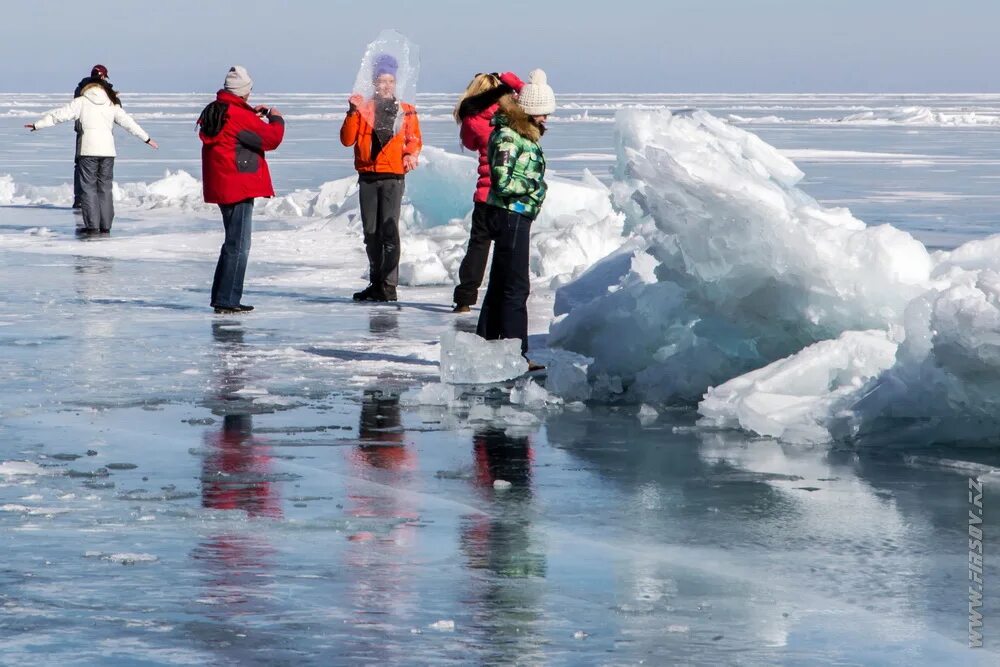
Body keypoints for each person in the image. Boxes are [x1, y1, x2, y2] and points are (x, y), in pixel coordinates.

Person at [476, 69, 555, 369]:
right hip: (511, 216)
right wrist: (535, 185)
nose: (546, 118)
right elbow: (503, 182)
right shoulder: (510, 137)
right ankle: (515, 354)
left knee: (501, 283)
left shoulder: (522, 135)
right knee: (515, 287)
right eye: (543, 112)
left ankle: (488, 344)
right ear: (530, 110)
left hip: (517, 216)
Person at [198, 65, 285, 315]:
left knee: (232, 243)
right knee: (239, 245)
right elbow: (271, 139)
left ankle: (223, 297)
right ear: (243, 92)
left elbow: (236, 133)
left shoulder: (217, 110)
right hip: (239, 184)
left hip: (223, 183)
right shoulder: (237, 115)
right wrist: (276, 117)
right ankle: (227, 300)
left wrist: (250, 114)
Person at [26, 74, 157, 235]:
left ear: (87, 88)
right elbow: (128, 123)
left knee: (88, 189)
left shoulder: (80, 102)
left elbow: (59, 115)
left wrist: (37, 125)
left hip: (88, 150)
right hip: (108, 152)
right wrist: (147, 138)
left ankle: (92, 226)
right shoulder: (111, 103)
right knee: (105, 188)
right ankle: (106, 226)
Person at [340, 53, 422, 303]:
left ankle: (389, 285)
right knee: (371, 232)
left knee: (389, 231)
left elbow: (414, 139)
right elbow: (347, 140)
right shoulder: (363, 108)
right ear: (373, 82)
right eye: (381, 81)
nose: (386, 86)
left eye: (390, 81)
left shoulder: (405, 110)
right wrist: (352, 112)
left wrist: (410, 154)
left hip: (393, 176)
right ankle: (376, 283)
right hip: (368, 176)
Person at [451, 72, 524, 314]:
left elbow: (470, 142)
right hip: (510, 194)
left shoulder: (472, 119)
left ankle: (464, 298)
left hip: (485, 194)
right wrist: (510, 80)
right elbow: (533, 98)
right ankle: (505, 297)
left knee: (478, 246)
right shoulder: (511, 113)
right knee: (508, 247)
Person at [72, 64, 111, 209]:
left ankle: (80, 199)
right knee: (100, 167)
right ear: (102, 76)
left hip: (83, 130)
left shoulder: (81, 89)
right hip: (100, 132)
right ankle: (95, 199)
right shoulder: (104, 90)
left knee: (80, 165)